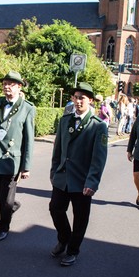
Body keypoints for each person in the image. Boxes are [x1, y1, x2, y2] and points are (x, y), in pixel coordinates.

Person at [49, 82, 107, 267]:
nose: (78, 101)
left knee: (80, 217)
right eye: (75, 97)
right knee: (55, 208)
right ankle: (64, 238)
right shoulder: (65, 120)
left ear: (90, 101)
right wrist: (53, 172)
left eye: (82, 98)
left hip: (82, 180)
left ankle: (73, 250)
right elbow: (57, 150)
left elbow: (99, 158)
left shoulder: (98, 126)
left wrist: (92, 181)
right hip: (62, 177)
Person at [0, 71, 35, 242]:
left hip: (12, 160)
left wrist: (26, 166)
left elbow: (29, 139)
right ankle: (13, 206)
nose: (6, 86)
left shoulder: (27, 108)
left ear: (19, 87)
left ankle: (3, 227)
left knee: (6, 199)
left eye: (11, 84)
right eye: (5, 83)